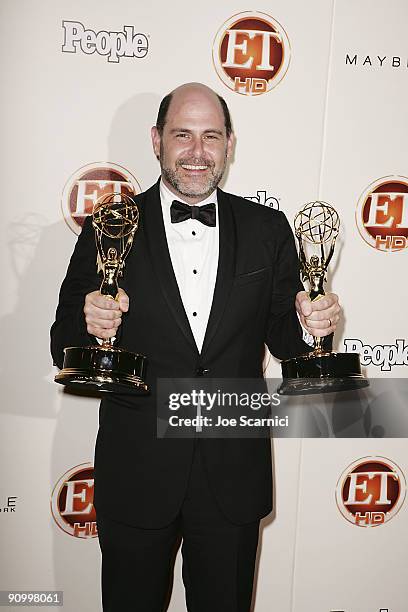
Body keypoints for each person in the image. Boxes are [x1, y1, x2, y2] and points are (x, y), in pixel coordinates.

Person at [51, 82, 340, 612]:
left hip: (232, 472)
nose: (197, 152)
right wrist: (90, 325)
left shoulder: (267, 228)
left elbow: (284, 335)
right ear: (156, 139)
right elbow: (60, 340)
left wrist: (312, 324)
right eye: (183, 134)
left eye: (211, 136)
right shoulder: (109, 225)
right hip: (138, 469)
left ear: (230, 143)